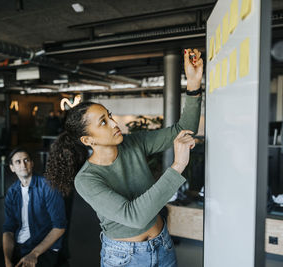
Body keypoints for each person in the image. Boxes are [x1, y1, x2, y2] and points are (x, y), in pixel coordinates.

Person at [45, 48, 203, 267]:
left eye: (109, 116)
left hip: (162, 244)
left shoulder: (133, 143)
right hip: (124, 257)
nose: (114, 123)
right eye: (103, 122)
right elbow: (134, 216)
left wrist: (193, 86)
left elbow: (184, 129)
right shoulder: (86, 179)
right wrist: (177, 166)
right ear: (88, 140)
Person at [3, 148, 67, 267]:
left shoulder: (48, 186)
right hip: (20, 245)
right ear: (12, 168)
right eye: (18, 162)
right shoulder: (12, 192)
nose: (23, 164)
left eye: (26, 160)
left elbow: (60, 227)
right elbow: (8, 229)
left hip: (44, 247)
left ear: (32, 163)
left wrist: (34, 254)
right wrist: (7, 260)